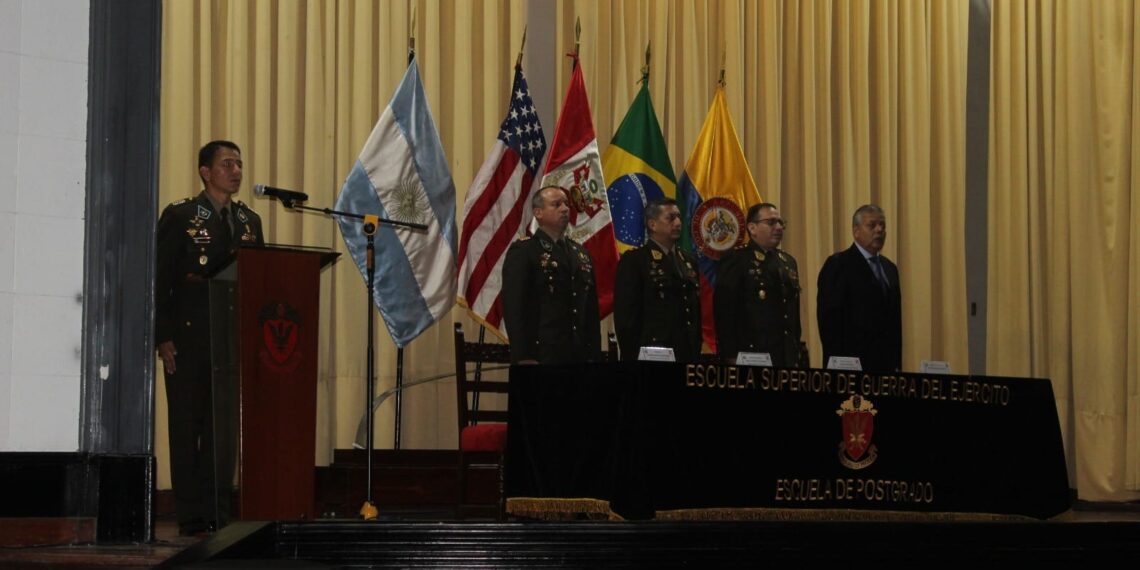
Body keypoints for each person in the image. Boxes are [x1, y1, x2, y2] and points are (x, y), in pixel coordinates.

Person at [155, 140, 264, 536]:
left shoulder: (249, 221)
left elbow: (258, 281)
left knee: (223, 432)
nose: (236, 171)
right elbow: (160, 280)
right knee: (188, 428)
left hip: (231, 340)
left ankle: (218, 510)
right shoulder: (181, 216)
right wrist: (163, 336)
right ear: (205, 172)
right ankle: (190, 514)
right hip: (188, 338)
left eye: (239, 164)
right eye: (227, 164)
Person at [501, 185, 602, 364]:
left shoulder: (580, 254)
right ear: (538, 213)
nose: (565, 209)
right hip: (542, 355)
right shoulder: (525, 251)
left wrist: (594, 354)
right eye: (556, 205)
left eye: (566, 204)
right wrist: (524, 356)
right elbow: (514, 307)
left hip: (579, 355)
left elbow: (591, 311)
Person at [714, 203, 803, 367]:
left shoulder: (788, 262)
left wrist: (795, 350)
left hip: (784, 356)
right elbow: (725, 313)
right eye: (771, 222)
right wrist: (730, 355)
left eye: (780, 222)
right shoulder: (736, 260)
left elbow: (792, 314)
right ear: (752, 228)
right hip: (751, 355)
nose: (778, 227)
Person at [614, 198, 702, 361]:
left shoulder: (688, 261)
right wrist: (632, 357)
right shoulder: (636, 261)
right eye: (670, 218)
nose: (678, 223)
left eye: (679, 217)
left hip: (686, 353)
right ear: (652, 224)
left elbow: (694, 312)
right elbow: (626, 318)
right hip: (652, 353)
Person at [816, 204, 902, 372]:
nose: (879, 230)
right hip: (850, 366)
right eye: (872, 225)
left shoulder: (890, 268)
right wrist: (841, 364)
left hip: (885, 367)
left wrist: (897, 364)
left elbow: (895, 323)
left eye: (882, 225)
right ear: (856, 231)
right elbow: (829, 322)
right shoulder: (838, 265)